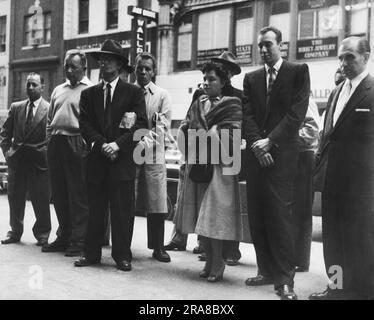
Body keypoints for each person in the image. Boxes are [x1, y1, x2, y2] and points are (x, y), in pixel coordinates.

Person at [242, 26, 310, 300]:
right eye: (259, 45)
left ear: (281, 44)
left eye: (268, 44)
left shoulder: (297, 71)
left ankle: (284, 280)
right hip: (258, 156)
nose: (263, 50)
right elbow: (246, 115)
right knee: (257, 215)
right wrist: (259, 146)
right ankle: (266, 270)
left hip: (282, 156)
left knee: (280, 217)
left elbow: (297, 114)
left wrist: (270, 141)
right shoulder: (252, 77)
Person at [74, 39, 147, 272]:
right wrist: (101, 144)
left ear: (118, 64)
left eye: (108, 60)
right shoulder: (89, 94)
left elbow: (141, 126)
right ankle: (91, 253)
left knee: (122, 212)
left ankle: (122, 256)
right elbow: (84, 123)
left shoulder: (133, 93)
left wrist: (117, 146)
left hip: (121, 162)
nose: (103, 64)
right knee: (95, 210)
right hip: (97, 160)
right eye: (101, 60)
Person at [164, 51, 243, 266]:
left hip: (220, 168)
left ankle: (219, 261)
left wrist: (214, 136)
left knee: (215, 215)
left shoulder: (234, 102)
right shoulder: (199, 102)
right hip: (198, 163)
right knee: (200, 212)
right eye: (205, 79)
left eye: (212, 79)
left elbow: (233, 138)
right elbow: (187, 127)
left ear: (225, 79)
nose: (206, 83)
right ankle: (209, 260)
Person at [310, 37, 374, 300]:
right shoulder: (337, 91)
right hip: (332, 180)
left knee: (361, 240)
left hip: (362, 185)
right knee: (334, 241)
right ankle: (336, 287)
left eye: (350, 57)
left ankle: (364, 291)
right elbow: (328, 135)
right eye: (341, 58)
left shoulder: (372, 90)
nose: (344, 63)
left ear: (366, 57)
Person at [42, 50, 92, 257]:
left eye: (74, 66)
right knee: (59, 193)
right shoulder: (58, 90)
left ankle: (79, 240)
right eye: (66, 66)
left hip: (76, 142)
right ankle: (63, 235)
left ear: (84, 68)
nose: (69, 70)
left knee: (77, 193)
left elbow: (92, 122)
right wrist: (49, 140)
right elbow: (49, 119)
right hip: (56, 142)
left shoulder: (90, 90)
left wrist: (85, 144)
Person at [0, 73, 51, 246]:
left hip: (38, 162)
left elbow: (52, 136)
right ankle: (15, 232)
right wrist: (8, 154)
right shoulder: (16, 107)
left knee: (41, 199)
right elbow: (5, 133)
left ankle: (43, 234)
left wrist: (45, 154)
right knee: (15, 198)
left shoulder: (49, 108)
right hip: (18, 161)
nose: (30, 88)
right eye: (28, 84)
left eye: (34, 85)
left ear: (42, 87)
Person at [133, 52, 172, 263]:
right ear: (135, 69)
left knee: (157, 202)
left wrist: (142, 144)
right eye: (140, 68)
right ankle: (123, 245)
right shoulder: (128, 92)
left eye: (148, 68)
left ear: (154, 71)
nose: (144, 72)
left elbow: (162, 127)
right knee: (127, 198)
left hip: (153, 155)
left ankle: (158, 247)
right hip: (129, 154)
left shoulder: (161, 95)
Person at [292, 99, 321, 272]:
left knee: (301, 211)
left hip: (303, 157)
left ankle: (301, 260)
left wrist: (286, 138)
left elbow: (312, 129)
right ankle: (294, 256)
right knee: (292, 210)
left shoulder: (305, 100)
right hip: (292, 156)